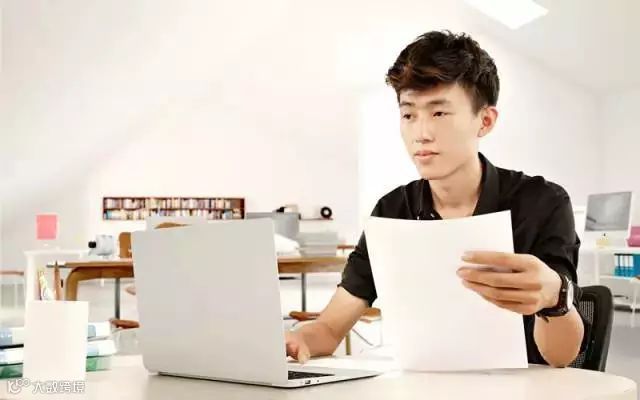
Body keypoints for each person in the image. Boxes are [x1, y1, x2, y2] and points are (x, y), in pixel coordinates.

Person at [285, 31, 585, 367]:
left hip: (521, 386)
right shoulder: (392, 211)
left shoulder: (542, 203)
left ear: (485, 121)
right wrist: (298, 339)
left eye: (439, 113)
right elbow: (328, 329)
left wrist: (555, 298)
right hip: (417, 385)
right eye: (409, 115)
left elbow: (560, 357)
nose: (421, 133)